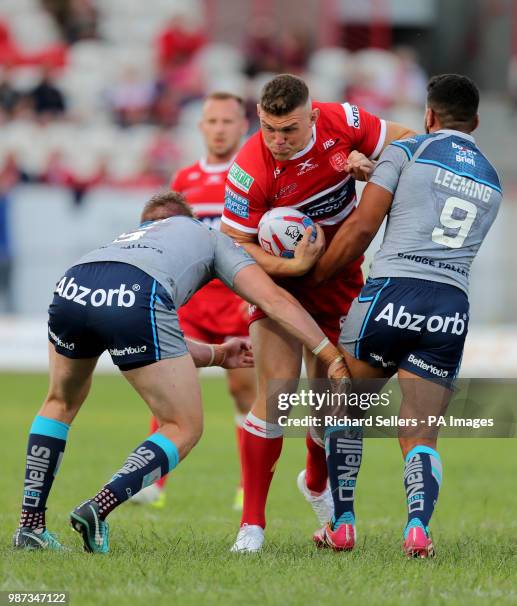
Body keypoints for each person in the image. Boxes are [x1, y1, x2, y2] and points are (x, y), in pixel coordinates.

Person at [12, 191, 348, 553]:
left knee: (59, 401)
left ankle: (30, 526)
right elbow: (274, 301)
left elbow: (158, 344)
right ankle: (99, 507)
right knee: (183, 426)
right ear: (185, 218)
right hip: (138, 291)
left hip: (73, 284)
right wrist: (329, 353)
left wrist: (219, 354)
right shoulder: (209, 236)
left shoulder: (125, 243)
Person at [309, 74, 501, 557]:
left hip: (392, 292)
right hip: (450, 306)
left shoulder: (410, 150)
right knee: (421, 428)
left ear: (429, 115)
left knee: (347, 403)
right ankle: (417, 527)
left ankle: (344, 521)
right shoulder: (492, 178)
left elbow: (361, 228)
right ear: (475, 122)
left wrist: (316, 277)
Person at [220, 73, 414, 552]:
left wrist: (374, 165)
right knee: (278, 394)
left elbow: (410, 141)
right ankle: (252, 526)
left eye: (289, 129)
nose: (278, 140)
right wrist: (291, 264)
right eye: (269, 128)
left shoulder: (344, 121)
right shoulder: (249, 168)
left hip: (343, 280)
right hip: (281, 285)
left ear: (313, 115)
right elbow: (234, 245)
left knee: (337, 402)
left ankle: (314, 481)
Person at [131, 92, 252, 510]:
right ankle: (153, 485)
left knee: (243, 391)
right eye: (212, 121)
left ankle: (247, 487)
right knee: (170, 388)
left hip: (236, 302)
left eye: (227, 121)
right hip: (192, 305)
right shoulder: (184, 180)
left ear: (242, 126)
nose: (219, 128)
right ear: (201, 127)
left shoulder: (251, 175)